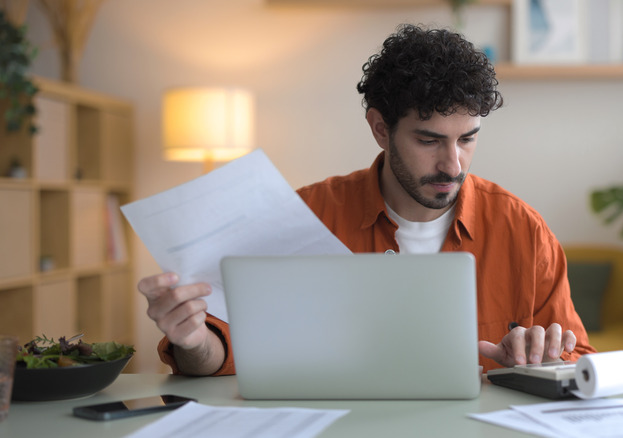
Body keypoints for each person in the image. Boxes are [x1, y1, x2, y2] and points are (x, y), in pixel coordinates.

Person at [138, 23, 597, 377]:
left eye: (468, 139)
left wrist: (545, 356)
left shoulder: (523, 230)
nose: (453, 165)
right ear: (380, 128)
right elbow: (225, 356)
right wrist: (194, 339)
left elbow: (578, 358)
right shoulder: (305, 217)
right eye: (429, 140)